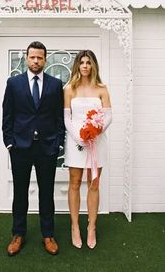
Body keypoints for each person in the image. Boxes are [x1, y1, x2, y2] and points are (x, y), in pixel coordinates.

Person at [2, 41, 65, 256]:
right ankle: (18, 234)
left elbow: (59, 117)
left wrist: (58, 143)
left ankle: (48, 235)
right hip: (20, 147)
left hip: (47, 147)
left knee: (46, 193)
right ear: (27, 58)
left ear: (45, 59)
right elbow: (7, 116)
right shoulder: (14, 83)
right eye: (32, 57)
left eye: (40, 57)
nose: (36, 61)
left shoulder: (56, 85)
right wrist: (9, 143)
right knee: (20, 193)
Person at [64, 50, 112, 249]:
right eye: (82, 62)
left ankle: (91, 227)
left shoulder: (101, 88)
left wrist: (95, 132)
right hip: (76, 142)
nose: (85, 66)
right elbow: (67, 118)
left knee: (94, 184)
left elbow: (108, 116)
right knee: (74, 183)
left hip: (97, 142)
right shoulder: (69, 89)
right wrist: (80, 136)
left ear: (93, 66)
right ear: (77, 65)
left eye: (88, 62)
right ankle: (75, 226)